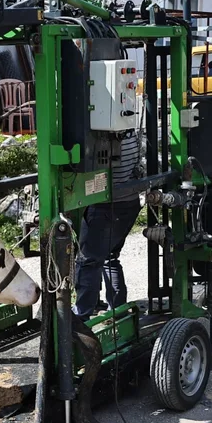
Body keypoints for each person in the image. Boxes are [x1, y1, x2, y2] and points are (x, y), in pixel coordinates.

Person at [72, 131, 143, 321]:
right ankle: (117, 309)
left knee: (88, 261)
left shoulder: (98, 133)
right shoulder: (129, 130)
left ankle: (82, 315)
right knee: (110, 257)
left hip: (105, 204)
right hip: (129, 202)